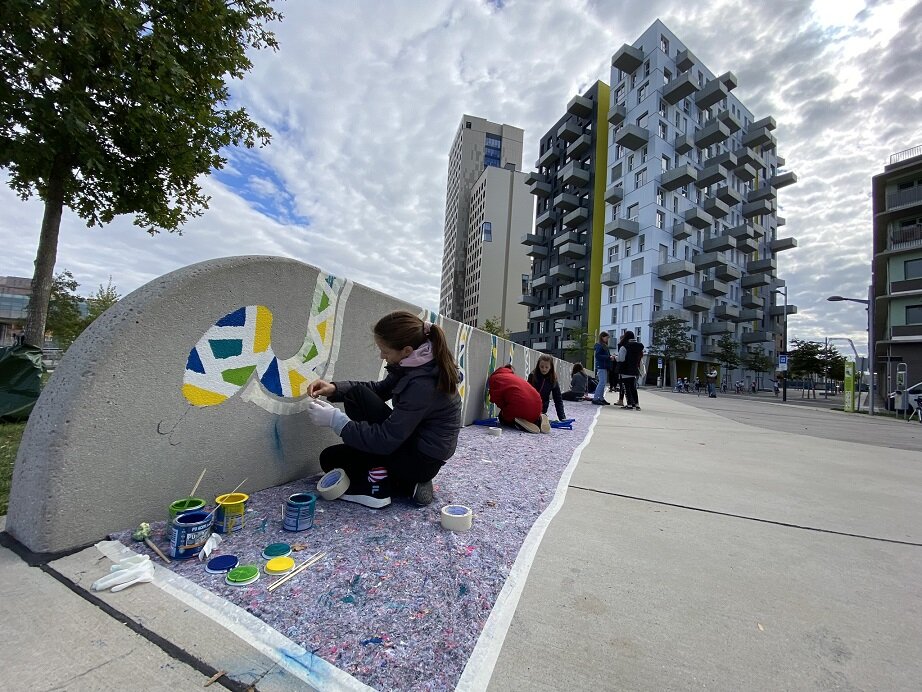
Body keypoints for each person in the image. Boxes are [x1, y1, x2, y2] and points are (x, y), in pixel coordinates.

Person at [306, 311, 461, 509]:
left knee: (332, 460)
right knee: (356, 397)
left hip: (420, 461)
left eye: (385, 352)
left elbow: (385, 439)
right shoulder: (415, 363)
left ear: (406, 350)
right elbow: (379, 390)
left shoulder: (423, 385)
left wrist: (336, 421)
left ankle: (385, 485)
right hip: (410, 443)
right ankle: (405, 482)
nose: (382, 356)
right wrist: (335, 389)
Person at [488, 364, 549, 433]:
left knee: (502, 417)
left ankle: (518, 422)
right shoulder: (514, 377)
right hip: (538, 405)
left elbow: (497, 399)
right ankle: (539, 419)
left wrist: (504, 410)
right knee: (530, 414)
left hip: (520, 406)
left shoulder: (494, 378)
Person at [528, 355, 566, 421]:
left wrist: (562, 417)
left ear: (551, 367)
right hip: (530, 407)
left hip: (542, 409)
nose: (544, 369)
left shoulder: (553, 379)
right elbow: (526, 392)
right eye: (542, 367)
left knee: (541, 420)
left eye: (546, 367)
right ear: (538, 366)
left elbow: (558, 399)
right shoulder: (532, 376)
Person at [617, 330, 644, 410]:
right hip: (634, 369)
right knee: (633, 388)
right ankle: (637, 404)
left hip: (625, 370)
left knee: (626, 388)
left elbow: (621, 359)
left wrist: (615, 358)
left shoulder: (624, 346)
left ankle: (629, 405)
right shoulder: (639, 346)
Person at [591, 332, 612, 405]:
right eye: (607, 337)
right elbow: (597, 355)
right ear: (602, 337)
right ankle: (596, 398)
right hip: (601, 366)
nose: (607, 339)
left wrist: (609, 357)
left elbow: (599, 355)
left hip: (603, 365)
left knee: (603, 383)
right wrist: (609, 357)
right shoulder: (600, 345)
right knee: (602, 382)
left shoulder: (602, 345)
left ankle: (600, 398)